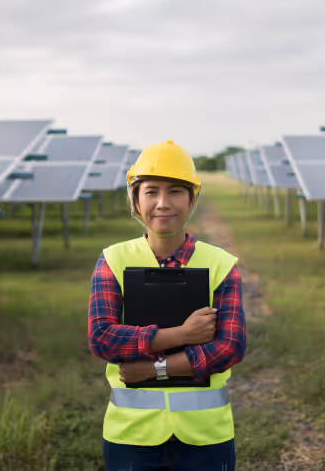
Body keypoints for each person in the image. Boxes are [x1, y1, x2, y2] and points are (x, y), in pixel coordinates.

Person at [88, 140, 247, 470]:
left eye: (175, 191)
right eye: (151, 192)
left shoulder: (220, 264)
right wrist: (183, 334)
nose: (163, 203)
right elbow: (103, 338)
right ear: (135, 200)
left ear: (192, 199)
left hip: (205, 436)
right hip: (132, 435)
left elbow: (229, 348)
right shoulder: (113, 260)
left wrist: (151, 368)